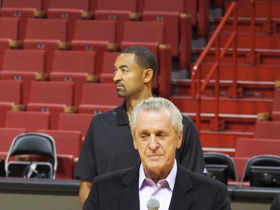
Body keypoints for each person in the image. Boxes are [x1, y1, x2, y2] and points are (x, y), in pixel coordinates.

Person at [74, 46, 205, 207]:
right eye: (115, 70)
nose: (116, 77)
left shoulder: (182, 125)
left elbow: (196, 188)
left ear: (147, 75)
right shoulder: (99, 125)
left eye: (124, 70)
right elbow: (87, 185)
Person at [83, 97, 231, 210]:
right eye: (144, 136)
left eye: (160, 135)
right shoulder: (103, 190)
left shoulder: (213, 195)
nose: (152, 145)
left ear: (178, 139)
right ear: (135, 141)